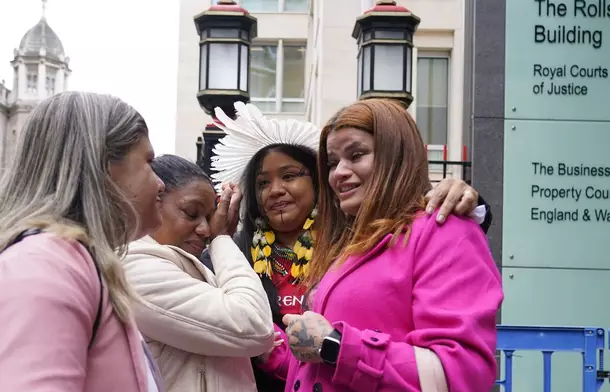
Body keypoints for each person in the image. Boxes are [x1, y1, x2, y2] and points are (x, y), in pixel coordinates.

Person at [208, 102, 493, 391]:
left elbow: (463, 372)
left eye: (356, 155)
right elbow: (314, 364)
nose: (339, 172)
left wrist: (335, 345)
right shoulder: (348, 244)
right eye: (332, 163)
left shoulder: (444, 229)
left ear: (395, 156)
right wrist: (266, 343)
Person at [0, 91, 166, 391]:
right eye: (149, 161)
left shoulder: (67, 262)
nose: (161, 183)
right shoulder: (48, 265)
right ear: (104, 166)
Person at [122, 154, 274, 392]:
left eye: (210, 217)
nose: (205, 229)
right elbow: (255, 326)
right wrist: (222, 238)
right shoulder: (132, 266)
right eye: (192, 214)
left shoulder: (190, 265)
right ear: (153, 200)